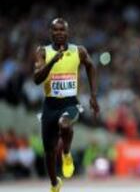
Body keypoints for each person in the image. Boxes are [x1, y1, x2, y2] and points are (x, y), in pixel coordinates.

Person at [33, 18, 99, 192]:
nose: (59, 33)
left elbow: (91, 66)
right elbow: (37, 79)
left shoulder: (79, 51)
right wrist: (53, 61)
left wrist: (93, 96)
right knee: (49, 151)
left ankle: (67, 153)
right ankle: (55, 184)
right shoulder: (42, 52)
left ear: (68, 32)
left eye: (62, 30)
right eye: (56, 30)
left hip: (70, 102)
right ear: (51, 33)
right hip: (50, 105)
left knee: (65, 125)